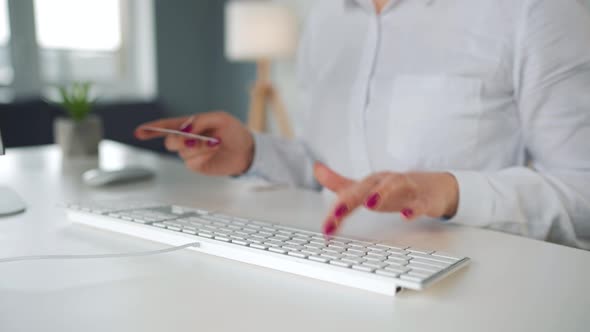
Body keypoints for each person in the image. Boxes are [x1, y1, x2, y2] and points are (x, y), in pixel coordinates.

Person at [136, 0, 590, 249]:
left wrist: (448, 191)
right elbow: (331, 172)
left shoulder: (535, 10)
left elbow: (581, 190)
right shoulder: (325, 18)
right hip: (335, 269)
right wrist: (252, 152)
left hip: (480, 288)